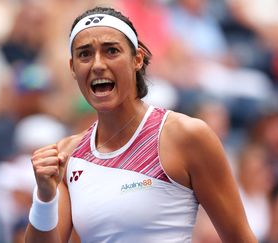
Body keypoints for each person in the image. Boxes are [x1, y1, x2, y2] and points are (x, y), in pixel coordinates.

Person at [25, 6, 256, 243]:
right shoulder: (66, 156)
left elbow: (240, 238)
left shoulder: (186, 136)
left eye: (111, 51)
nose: (97, 64)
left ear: (137, 59)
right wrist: (44, 198)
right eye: (85, 54)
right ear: (73, 68)